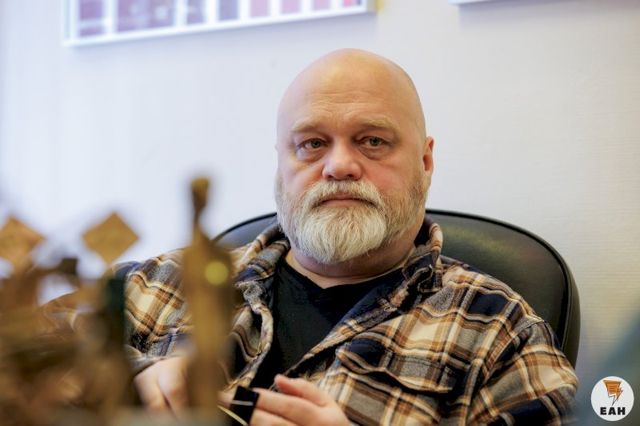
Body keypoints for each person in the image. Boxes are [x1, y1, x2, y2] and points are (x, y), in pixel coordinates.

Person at [125, 49, 578, 424]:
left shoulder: (500, 332)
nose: (339, 166)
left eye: (372, 141)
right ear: (281, 164)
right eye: (312, 144)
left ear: (425, 162)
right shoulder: (160, 284)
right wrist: (131, 382)